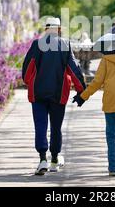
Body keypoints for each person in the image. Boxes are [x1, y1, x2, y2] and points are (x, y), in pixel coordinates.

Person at [22, 17, 86, 175]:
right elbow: (74, 69)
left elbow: (26, 70)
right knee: (56, 128)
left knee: (40, 126)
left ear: (46, 29)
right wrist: (81, 90)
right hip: (59, 93)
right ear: (59, 29)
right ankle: (54, 160)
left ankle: (42, 158)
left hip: (38, 93)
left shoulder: (37, 44)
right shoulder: (65, 44)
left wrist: (30, 81)